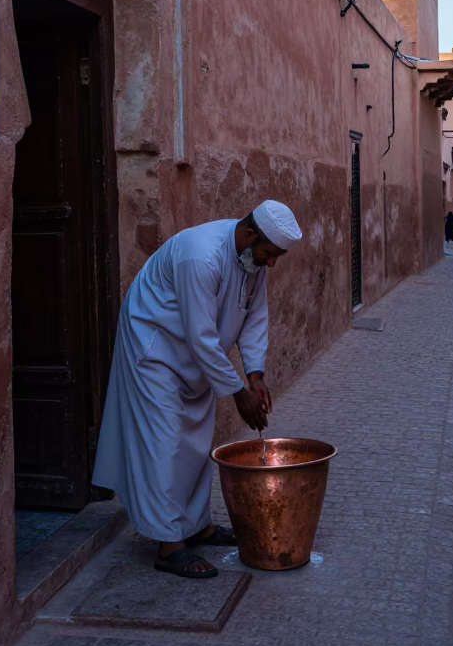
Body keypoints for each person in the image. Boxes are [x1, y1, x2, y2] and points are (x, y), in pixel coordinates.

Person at [93, 200, 302, 578]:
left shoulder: (252, 259)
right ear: (250, 233)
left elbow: (255, 314)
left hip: (195, 355)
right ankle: (169, 544)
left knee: (195, 440)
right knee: (164, 441)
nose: (272, 263)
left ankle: (196, 526)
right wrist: (239, 394)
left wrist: (255, 374)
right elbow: (201, 336)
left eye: (278, 256)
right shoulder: (201, 256)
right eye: (271, 254)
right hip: (154, 346)